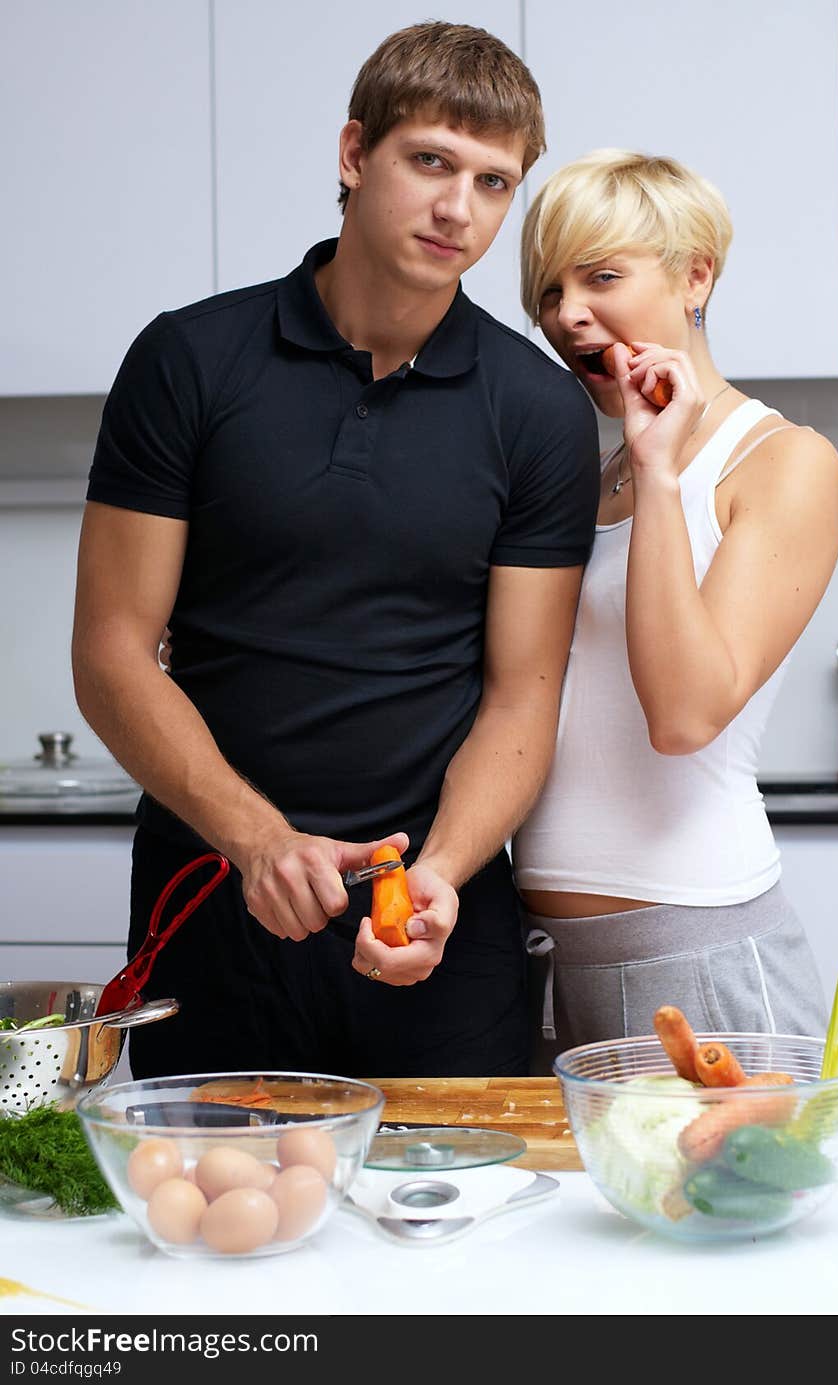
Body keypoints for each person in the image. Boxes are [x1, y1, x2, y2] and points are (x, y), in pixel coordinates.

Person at [71, 22, 600, 1080]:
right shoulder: (190, 359)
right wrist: (257, 840)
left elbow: (520, 696)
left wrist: (444, 872)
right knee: (217, 1226)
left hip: (431, 929)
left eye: (494, 184)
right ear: (356, 155)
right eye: (432, 162)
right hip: (213, 899)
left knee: (453, 1227)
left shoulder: (537, 411)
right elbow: (112, 653)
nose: (459, 209)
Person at [513, 150, 838, 1072]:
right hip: (537, 960)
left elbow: (685, 713)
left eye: (602, 277)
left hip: (697, 960)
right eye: (549, 289)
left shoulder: (781, 461)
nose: (567, 313)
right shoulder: (580, 475)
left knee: (732, 1208)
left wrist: (659, 475)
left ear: (697, 276)